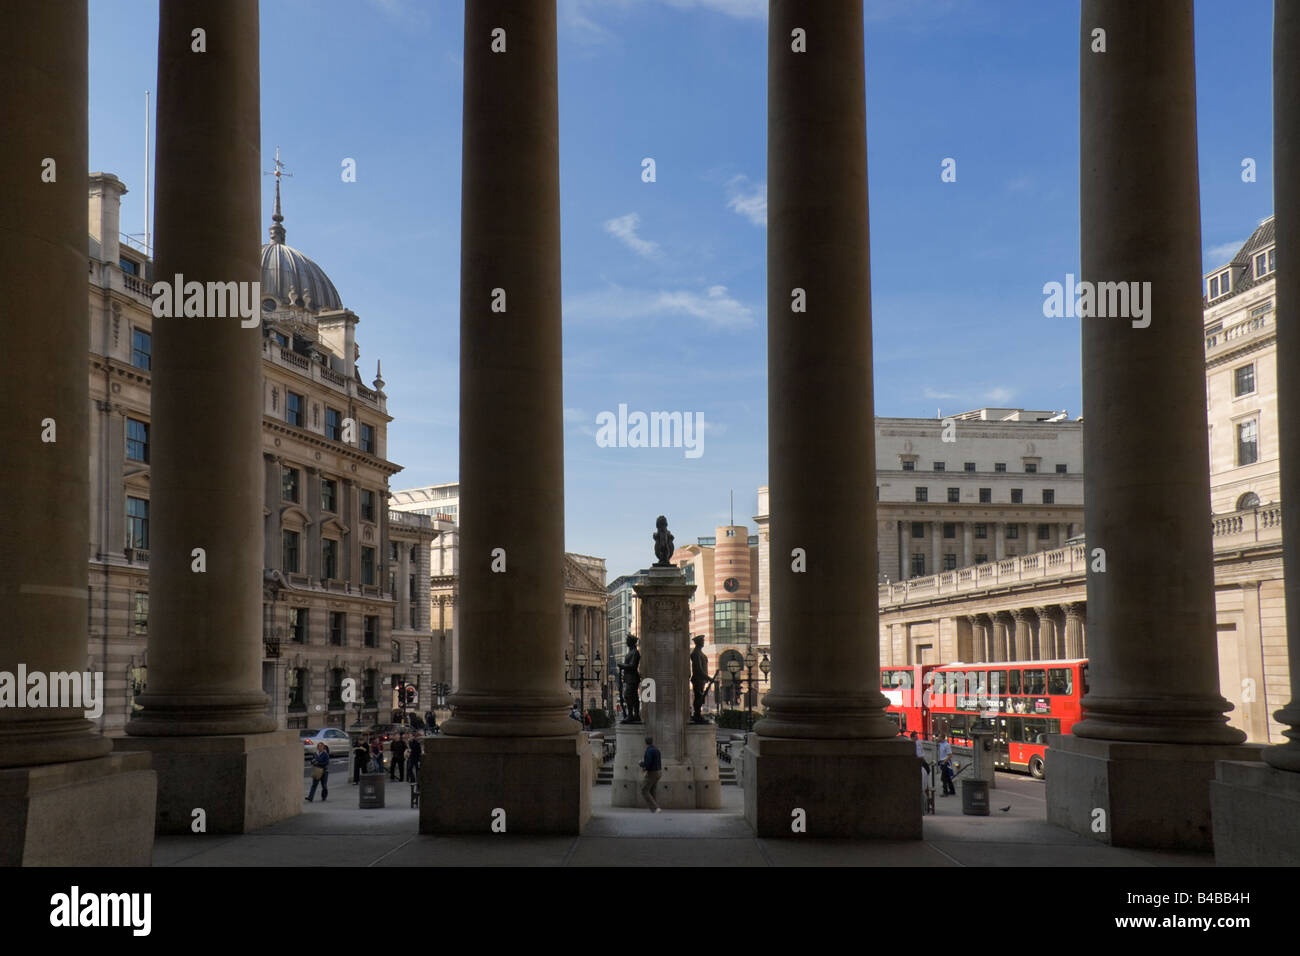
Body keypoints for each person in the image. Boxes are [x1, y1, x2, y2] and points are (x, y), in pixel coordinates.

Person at [639, 735, 662, 812]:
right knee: (652, 790)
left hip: (652, 772)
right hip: (659, 772)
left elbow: (648, 763)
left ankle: (656, 808)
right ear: (652, 742)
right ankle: (654, 809)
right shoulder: (656, 750)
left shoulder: (648, 751)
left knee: (644, 790)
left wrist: (641, 764)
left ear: (646, 743)